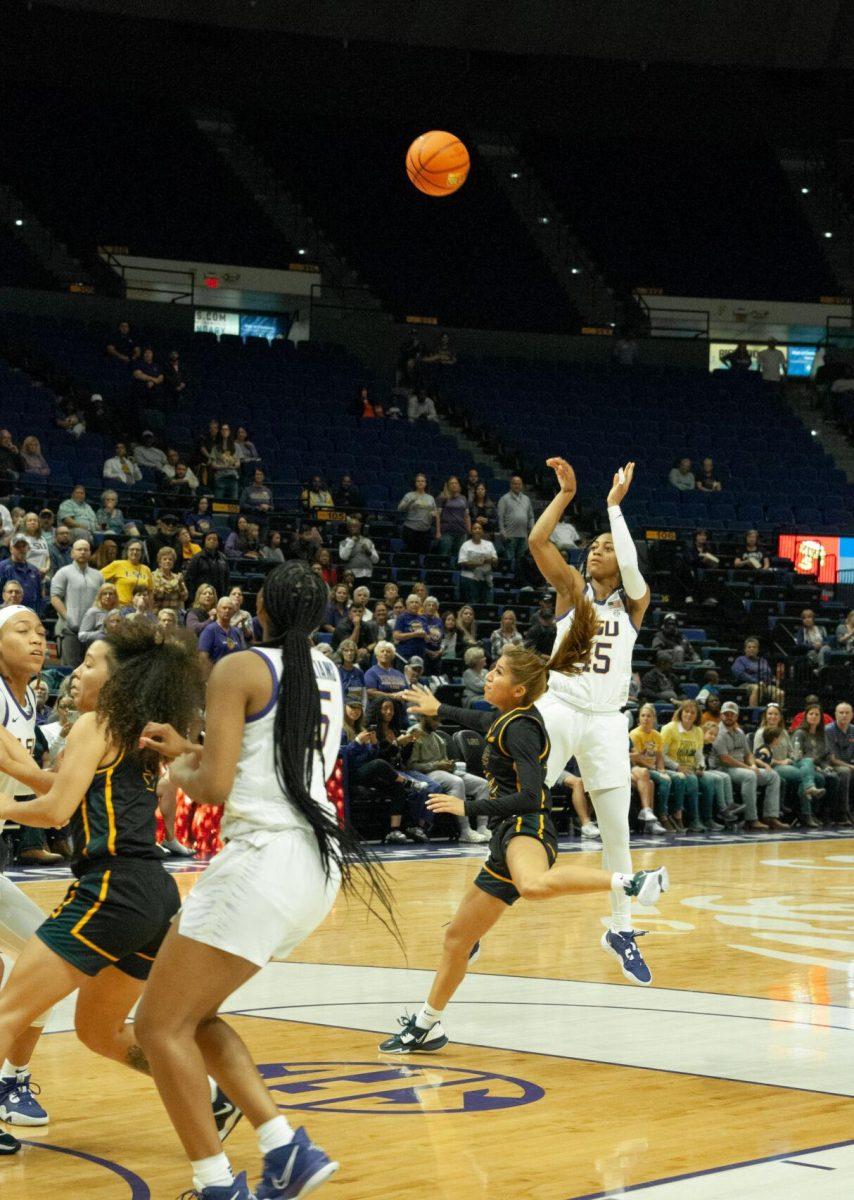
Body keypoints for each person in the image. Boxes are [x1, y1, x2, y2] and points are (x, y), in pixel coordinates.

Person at [134, 563, 397, 1199]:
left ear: (262, 605)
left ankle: (216, 1185)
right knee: (194, 1018)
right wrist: (188, 749)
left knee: (156, 1027)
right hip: (313, 864)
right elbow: (263, 759)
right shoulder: (327, 670)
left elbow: (219, 787)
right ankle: (287, 1150)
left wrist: (177, 776)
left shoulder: (240, 666)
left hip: (263, 858)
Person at [0, 621, 238, 1157]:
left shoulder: (94, 722)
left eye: (90, 664)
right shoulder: (136, 735)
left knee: (7, 1011)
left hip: (111, 888)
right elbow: (58, 785)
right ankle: (209, 1095)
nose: (78, 672)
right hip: (155, 897)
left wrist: (3, 806)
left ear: (116, 683)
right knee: (99, 1031)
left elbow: (57, 809)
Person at [379, 647, 668, 1053]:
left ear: (517, 691)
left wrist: (469, 807)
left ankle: (632, 882)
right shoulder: (510, 718)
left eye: (497, 673)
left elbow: (532, 796)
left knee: (532, 885)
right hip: (505, 834)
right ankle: (427, 1025)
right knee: (458, 940)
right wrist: (439, 707)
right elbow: (481, 719)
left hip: (525, 826)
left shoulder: (522, 729)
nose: (489, 677)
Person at [529, 457, 661, 985]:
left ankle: (621, 929)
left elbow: (631, 568)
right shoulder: (571, 592)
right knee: (519, 806)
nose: (595, 550)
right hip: (559, 705)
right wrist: (564, 496)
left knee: (617, 835)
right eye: (593, 546)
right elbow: (539, 544)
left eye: (603, 546)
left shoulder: (635, 603)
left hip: (608, 720)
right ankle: (475, 917)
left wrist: (612, 509)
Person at [0, 605, 57, 1143]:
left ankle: (10, 1081)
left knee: (45, 961)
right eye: (23, 631)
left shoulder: (28, 696)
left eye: (42, 633)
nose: (38, 640)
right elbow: (18, 768)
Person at [340, 692, 421, 844]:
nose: (355, 711)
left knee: (397, 787)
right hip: (349, 774)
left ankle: (394, 831)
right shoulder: (340, 729)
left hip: (366, 770)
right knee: (379, 764)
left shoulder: (362, 728)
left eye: (358, 708)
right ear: (344, 708)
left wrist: (374, 744)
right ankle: (407, 782)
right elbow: (341, 754)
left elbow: (373, 755)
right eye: (352, 707)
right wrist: (357, 742)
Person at [406, 711, 490, 843]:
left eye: (439, 720)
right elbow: (411, 766)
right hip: (426, 774)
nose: (437, 723)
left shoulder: (437, 736)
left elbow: (443, 761)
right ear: (424, 717)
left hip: (442, 772)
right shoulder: (414, 733)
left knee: (483, 784)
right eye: (434, 719)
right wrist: (437, 765)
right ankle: (465, 830)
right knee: (457, 782)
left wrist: (450, 765)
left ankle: (482, 827)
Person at [710, 701, 786, 831]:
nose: (729, 717)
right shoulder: (718, 732)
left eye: (732, 714)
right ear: (721, 715)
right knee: (750, 775)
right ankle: (751, 819)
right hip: (723, 768)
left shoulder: (740, 732)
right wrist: (748, 767)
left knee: (773, 775)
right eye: (726, 714)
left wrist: (752, 764)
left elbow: (748, 754)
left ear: (737, 716)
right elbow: (725, 758)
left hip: (741, 767)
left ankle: (771, 816)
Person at [753, 703, 824, 827]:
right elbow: (758, 757)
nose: (773, 716)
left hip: (789, 763)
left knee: (809, 764)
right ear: (765, 716)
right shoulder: (761, 733)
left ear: (780, 717)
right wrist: (781, 762)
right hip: (774, 766)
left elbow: (792, 752)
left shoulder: (784, 732)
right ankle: (806, 814)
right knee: (804, 776)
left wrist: (794, 757)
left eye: (776, 714)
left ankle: (810, 798)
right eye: (770, 714)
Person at [660, 699, 721, 833]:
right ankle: (694, 819)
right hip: (673, 768)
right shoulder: (669, 728)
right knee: (692, 779)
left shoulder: (698, 731)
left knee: (709, 780)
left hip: (691, 768)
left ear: (697, 716)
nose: (689, 715)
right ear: (681, 712)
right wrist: (677, 766)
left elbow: (699, 755)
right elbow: (661, 754)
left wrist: (701, 767)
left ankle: (708, 819)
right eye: (686, 711)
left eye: (693, 713)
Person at [630, 704, 685, 831]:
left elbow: (659, 756)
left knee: (680, 778)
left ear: (654, 718)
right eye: (643, 716)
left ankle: (677, 814)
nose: (645, 718)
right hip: (642, 769)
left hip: (654, 768)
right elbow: (637, 758)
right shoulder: (634, 734)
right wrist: (656, 770)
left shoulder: (657, 735)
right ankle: (662, 815)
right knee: (665, 780)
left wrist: (662, 770)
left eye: (649, 716)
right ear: (638, 719)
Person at [49, 539, 104, 667]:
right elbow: (55, 598)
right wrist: (69, 618)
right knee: (70, 671)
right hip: (70, 631)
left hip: (92, 632)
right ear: (72, 553)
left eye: (86, 549)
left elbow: (103, 601)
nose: (83, 552)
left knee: (91, 669)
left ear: (90, 553)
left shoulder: (98, 575)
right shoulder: (63, 572)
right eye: (79, 549)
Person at [793, 704, 849, 825]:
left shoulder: (822, 734)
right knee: (821, 778)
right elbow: (796, 756)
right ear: (806, 716)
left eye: (817, 714)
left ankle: (825, 813)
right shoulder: (800, 733)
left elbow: (826, 756)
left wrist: (825, 766)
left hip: (819, 766)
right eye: (811, 714)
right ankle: (812, 812)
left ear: (820, 718)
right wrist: (815, 766)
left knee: (834, 778)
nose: (814, 716)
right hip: (803, 766)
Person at [496, 475, 534, 576]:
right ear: (511, 485)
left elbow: (531, 516)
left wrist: (532, 530)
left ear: (522, 485)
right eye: (515, 483)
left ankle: (519, 580)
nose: (517, 485)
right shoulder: (504, 499)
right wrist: (502, 531)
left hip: (523, 536)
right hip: (510, 535)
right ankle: (509, 580)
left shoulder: (527, 499)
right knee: (510, 560)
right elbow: (500, 517)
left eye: (519, 484)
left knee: (521, 561)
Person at [731, 636, 784, 707]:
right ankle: (753, 714)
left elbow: (768, 674)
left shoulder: (763, 661)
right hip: (746, 685)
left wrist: (774, 680)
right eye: (749, 647)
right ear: (745, 649)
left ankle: (776, 714)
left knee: (780, 693)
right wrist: (757, 681)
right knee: (756, 688)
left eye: (754, 647)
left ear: (758, 650)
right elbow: (740, 674)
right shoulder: (740, 660)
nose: (751, 649)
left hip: (765, 685)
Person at [100, 539, 153, 607]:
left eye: (138, 550)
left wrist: (150, 610)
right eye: (132, 549)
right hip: (120, 607)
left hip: (140, 608)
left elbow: (150, 592)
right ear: (127, 551)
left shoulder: (146, 569)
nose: (135, 552)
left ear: (142, 553)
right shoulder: (117, 564)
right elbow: (97, 577)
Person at [198, 597, 244, 674]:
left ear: (233, 611)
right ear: (217, 609)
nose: (227, 611)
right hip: (216, 677)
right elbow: (202, 659)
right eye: (224, 608)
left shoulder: (236, 632)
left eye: (230, 608)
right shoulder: (210, 630)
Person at [457, 522, 497, 605]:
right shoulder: (466, 545)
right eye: (475, 528)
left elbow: (495, 561)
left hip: (486, 578)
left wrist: (486, 561)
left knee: (488, 604)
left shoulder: (489, 544)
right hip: (469, 578)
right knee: (473, 604)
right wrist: (481, 562)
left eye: (479, 528)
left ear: (482, 531)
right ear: (471, 532)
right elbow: (462, 563)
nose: (477, 530)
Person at [397, 473, 437, 555]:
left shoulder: (430, 498)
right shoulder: (409, 495)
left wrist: (433, 514)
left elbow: (434, 511)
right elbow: (400, 508)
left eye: (422, 481)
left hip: (425, 530)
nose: (420, 482)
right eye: (418, 481)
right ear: (415, 483)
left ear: (425, 483)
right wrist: (410, 502)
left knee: (424, 554)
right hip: (411, 530)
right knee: (410, 554)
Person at [0, 535, 41, 613]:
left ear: (28, 548)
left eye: (23, 546)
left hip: (30, 614)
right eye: (17, 547)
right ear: (11, 549)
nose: (21, 549)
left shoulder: (34, 570)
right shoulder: (2, 568)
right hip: (8, 615)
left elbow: (38, 597)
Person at [184, 532, 230, 599]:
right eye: (209, 539)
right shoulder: (197, 558)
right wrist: (193, 597)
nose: (212, 541)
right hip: (201, 596)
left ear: (218, 543)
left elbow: (226, 579)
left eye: (214, 539)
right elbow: (189, 579)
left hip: (219, 595)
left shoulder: (223, 558)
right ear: (204, 542)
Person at [437, 477, 471, 558]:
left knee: (459, 556)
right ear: (448, 485)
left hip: (461, 531)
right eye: (452, 483)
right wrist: (438, 531)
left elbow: (466, 515)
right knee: (444, 555)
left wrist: (469, 530)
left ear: (459, 485)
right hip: (447, 532)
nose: (454, 485)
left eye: (456, 483)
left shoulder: (463, 498)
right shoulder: (442, 498)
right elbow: (437, 516)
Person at [338, 517, 379, 581]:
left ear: (360, 527)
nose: (353, 528)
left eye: (355, 526)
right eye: (351, 526)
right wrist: (351, 542)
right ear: (348, 528)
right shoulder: (344, 542)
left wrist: (369, 553)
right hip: (352, 576)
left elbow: (376, 560)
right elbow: (343, 557)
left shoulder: (368, 541)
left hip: (368, 575)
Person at [151, 547, 188, 613]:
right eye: (164, 559)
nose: (168, 561)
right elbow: (153, 596)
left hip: (174, 614)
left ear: (173, 562)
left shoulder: (177, 577)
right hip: (157, 614)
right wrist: (171, 587)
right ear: (159, 562)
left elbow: (184, 597)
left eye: (170, 559)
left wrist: (180, 584)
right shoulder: (153, 576)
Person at [393, 593, 428, 663]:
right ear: (407, 605)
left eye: (416, 602)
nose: (414, 604)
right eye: (412, 602)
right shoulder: (402, 617)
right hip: (405, 655)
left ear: (420, 605)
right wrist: (414, 634)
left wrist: (425, 635)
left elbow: (427, 638)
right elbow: (396, 636)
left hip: (420, 655)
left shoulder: (423, 618)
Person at [209, 425, 240, 502]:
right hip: (220, 477)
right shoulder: (215, 447)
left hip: (233, 478)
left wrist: (234, 466)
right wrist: (224, 466)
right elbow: (213, 464)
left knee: (233, 503)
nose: (224, 431)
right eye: (223, 429)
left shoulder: (236, 446)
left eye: (226, 429)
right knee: (218, 503)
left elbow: (238, 463)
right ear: (220, 432)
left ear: (229, 431)